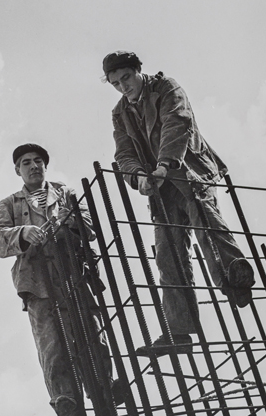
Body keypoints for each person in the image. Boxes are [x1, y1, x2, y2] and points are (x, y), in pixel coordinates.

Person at [103, 51, 255, 355]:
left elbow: (178, 123)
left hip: (187, 171)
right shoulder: (120, 112)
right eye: (115, 83)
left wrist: (164, 165)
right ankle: (179, 331)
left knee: (207, 223)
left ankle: (234, 279)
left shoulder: (166, 88)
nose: (123, 86)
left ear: (138, 71)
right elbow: (123, 154)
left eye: (126, 78)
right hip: (160, 190)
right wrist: (137, 177)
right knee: (167, 254)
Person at [0, 143, 128, 416]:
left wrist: (71, 219)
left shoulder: (65, 193)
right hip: (37, 279)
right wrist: (23, 232)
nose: (33, 166)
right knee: (52, 342)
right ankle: (66, 398)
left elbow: (91, 226)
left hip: (72, 272)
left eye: (38, 161)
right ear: (18, 170)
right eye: (26, 162)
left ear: (45, 166)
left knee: (92, 332)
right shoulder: (10, 204)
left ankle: (103, 388)